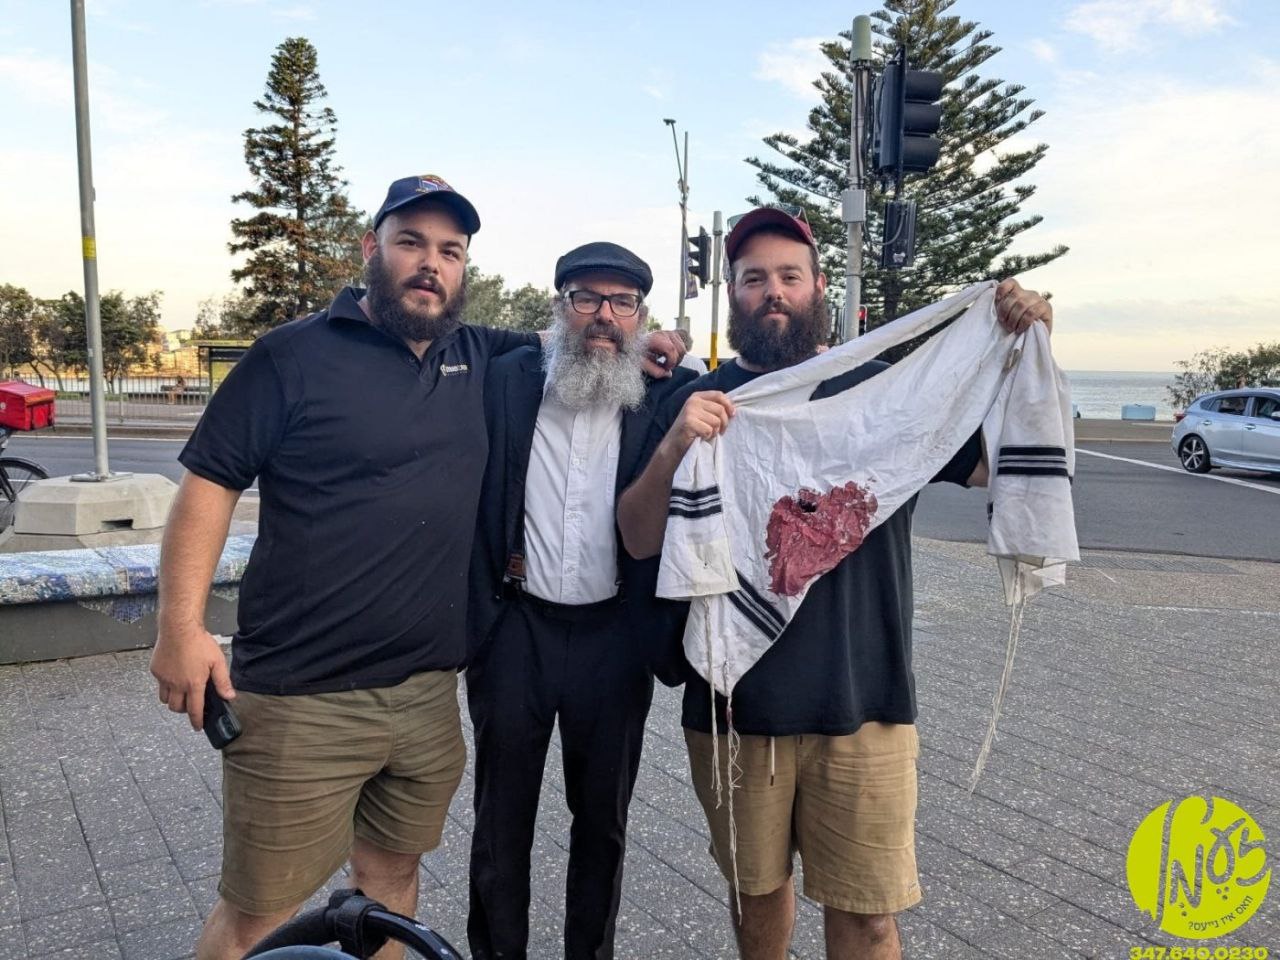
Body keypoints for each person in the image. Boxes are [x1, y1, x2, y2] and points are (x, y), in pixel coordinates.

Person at [150, 174, 685, 960]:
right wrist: (179, 626)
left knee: (396, 881)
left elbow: (596, 345)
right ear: (372, 248)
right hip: (328, 685)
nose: (431, 263)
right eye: (412, 243)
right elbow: (209, 483)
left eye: (450, 251)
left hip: (441, 685)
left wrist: (658, 341)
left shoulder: (490, 356)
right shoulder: (299, 355)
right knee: (266, 915)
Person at [616, 207, 1053, 960]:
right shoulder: (695, 402)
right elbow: (635, 536)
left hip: (867, 704)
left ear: (820, 287)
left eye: (790, 276)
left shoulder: (883, 395)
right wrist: (677, 442)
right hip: (736, 709)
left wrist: (1027, 346)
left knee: (871, 917)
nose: (773, 292)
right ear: (733, 294)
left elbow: (994, 464)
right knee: (757, 904)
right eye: (754, 278)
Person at [465, 242, 695, 960]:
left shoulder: (666, 395)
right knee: (500, 823)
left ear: (640, 316)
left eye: (622, 303)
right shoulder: (507, 379)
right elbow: (454, 335)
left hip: (614, 639)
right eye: (586, 298)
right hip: (516, 631)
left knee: (602, 826)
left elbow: (756, 391)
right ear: (559, 307)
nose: (604, 315)